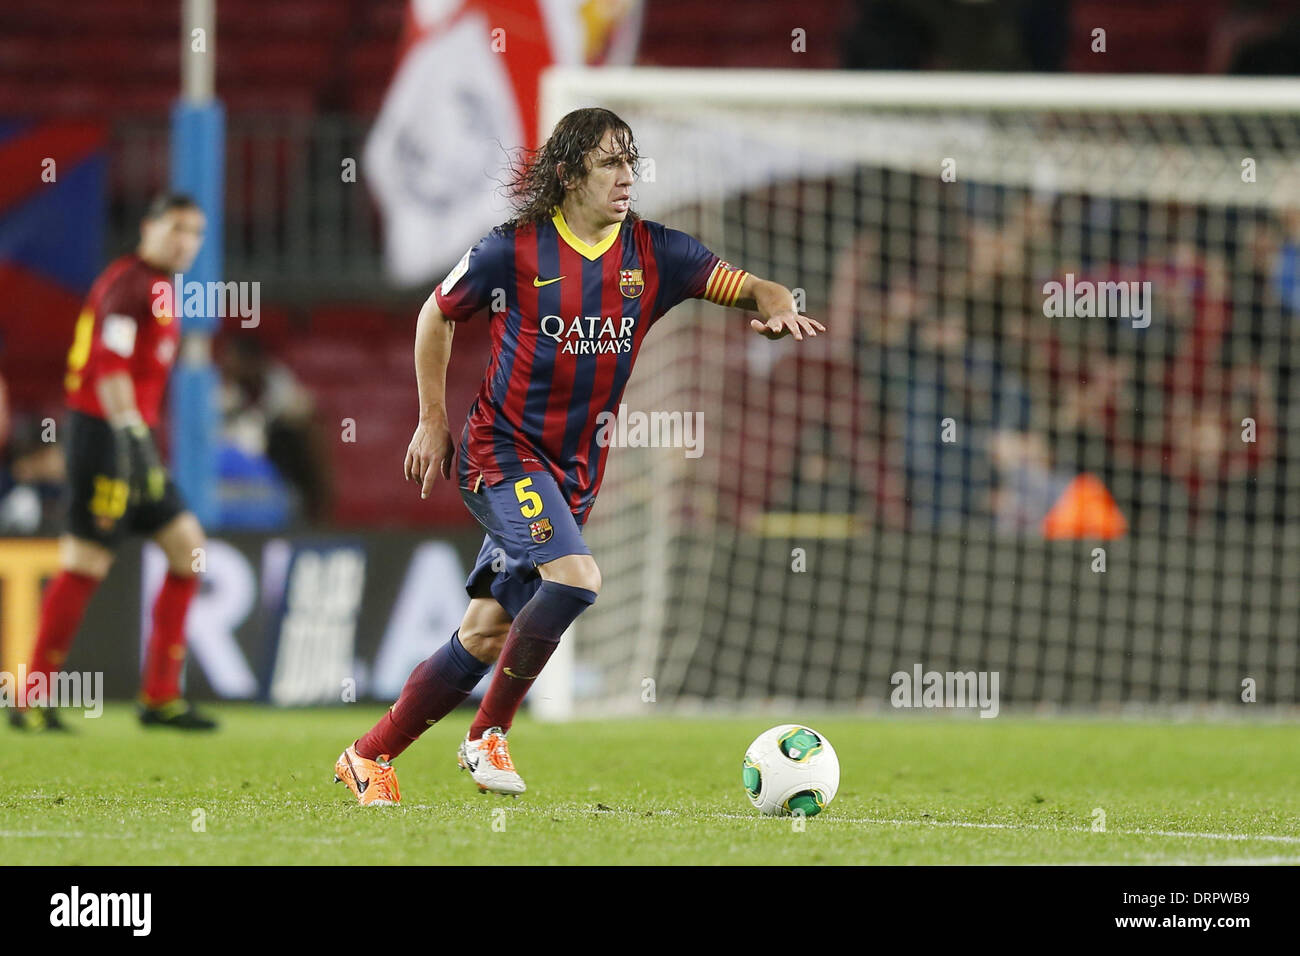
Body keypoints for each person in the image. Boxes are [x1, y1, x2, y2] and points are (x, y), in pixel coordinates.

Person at [333, 107, 823, 805]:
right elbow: (437, 313)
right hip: (499, 451)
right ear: (568, 175)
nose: (627, 178)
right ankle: (487, 735)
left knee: (484, 633)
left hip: (574, 473)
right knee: (577, 577)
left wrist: (777, 307)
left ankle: (368, 755)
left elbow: (753, 287)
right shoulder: (514, 249)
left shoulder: (656, 254)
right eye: (610, 164)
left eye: (632, 162)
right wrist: (432, 420)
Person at [11, 194, 217, 732]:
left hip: (130, 438)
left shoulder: (156, 286)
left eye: (195, 232)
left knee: (187, 550)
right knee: (85, 562)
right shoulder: (132, 286)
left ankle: (159, 697)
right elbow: (109, 368)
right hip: (107, 437)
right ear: (148, 227)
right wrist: (133, 438)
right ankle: (31, 697)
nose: (186, 241)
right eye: (175, 228)